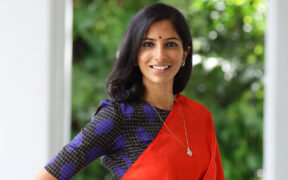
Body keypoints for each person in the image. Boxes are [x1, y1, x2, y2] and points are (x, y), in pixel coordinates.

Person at [34, 3, 225, 180]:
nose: (160, 55)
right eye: (148, 44)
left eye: (171, 44)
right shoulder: (118, 117)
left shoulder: (200, 117)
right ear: (134, 54)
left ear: (184, 54)